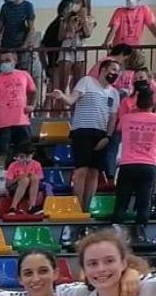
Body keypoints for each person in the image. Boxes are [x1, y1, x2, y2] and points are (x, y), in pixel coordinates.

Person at [48, 59, 121, 211]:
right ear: (103, 69)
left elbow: (113, 118)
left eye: (117, 71)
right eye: (113, 69)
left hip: (101, 134)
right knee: (81, 170)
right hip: (82, 131)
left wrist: (107, 137)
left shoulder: (114, 93)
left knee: (94, 172)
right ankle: (78, 207)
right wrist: (62, 96)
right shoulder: (87, 81)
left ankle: (87, 207)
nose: (115, 73)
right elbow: (71, 100)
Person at [114, 89, 156, 241]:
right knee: (144, 202)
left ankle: (118, 235)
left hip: (127, 164)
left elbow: (118, 129)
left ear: (137, 102)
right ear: (153, 104)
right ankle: (139, 235)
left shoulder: (126, 118)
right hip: (148, 165)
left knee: (121, 202)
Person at [0, 51, 36, 169]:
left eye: (7, 60)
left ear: (15, 61)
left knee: (25, 150)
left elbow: (33, 91)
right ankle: (0, 173)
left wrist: (32, 105)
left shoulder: (24, 75)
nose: (4, 63)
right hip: (4, 123)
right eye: (2, 61)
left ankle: (24, 172)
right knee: (2, 150)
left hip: (22, 121)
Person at [4, 140, 44, 217]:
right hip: (16, 188)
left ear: (32, 155)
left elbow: (39, 181)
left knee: (34, 177)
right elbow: (8, 185)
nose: (25, 159)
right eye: (22, 157)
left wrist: (31, 176)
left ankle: (32, 206)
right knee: (24, 180)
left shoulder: (36, 164)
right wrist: (19, 177)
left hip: (32, 189)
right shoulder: (13, 165)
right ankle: (13, 207)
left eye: (28, 157)